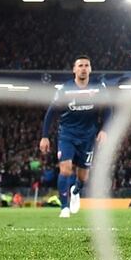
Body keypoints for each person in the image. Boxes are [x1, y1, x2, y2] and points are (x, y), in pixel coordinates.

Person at [39, 56, 110, 218]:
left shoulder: (98, 88)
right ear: (74, 69)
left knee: (83, 176)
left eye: (86, 65)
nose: (83, 68)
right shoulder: (65, 89)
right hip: (67, 135)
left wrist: (104, 130)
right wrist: (44, 136)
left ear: (90, 69)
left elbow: (108, 109)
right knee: (65, 169)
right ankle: (64, 207)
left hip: (88, 136)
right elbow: (51, 112)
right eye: (80, 66)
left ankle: (76, 191)